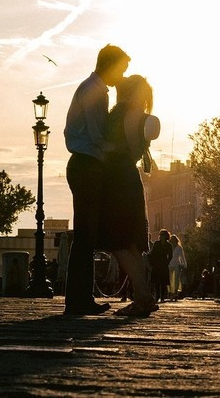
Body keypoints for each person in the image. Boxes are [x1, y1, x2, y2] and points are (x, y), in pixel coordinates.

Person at [63, 44, 130, 316]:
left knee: (86, 235)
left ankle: (80, 298)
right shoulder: (95, 91)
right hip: (87, 163)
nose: (122, 76)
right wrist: (121, 147)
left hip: (84, 163)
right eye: (122, 69)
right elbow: (98, 135)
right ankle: (79, 300)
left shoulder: (92, 88)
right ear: (110, 65)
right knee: (85, 235)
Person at [99, 74, 160, 317]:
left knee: (119, 242)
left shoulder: (123, 114)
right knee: (130, 243)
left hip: (117, 180)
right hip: (129, 178)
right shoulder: (146, 119)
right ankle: (144, 296)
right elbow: (136, 150)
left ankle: (143, 297)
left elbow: (113, 145)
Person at [149, 230, 172, 303]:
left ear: (166, 236)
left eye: (163, 235)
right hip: (156, 264)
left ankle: (162, 297)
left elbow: (170, 255)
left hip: (164, 264)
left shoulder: (169, 245)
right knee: (157, 282)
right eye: (161, 235)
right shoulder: (156, 243)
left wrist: (167, 262)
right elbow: (152, 253)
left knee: (163, 282)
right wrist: (152, 262)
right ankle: (157, 296)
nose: (161, 236)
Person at [168, 234, 187, 300]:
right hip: (169, 264)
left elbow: (182, 256)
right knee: (170, 280)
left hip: (176, 265)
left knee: (176, 279)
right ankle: (171, 293)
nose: (172, 242)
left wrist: (184, 264)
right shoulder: (169, 247)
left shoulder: (179, 248)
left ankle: (175, 293)